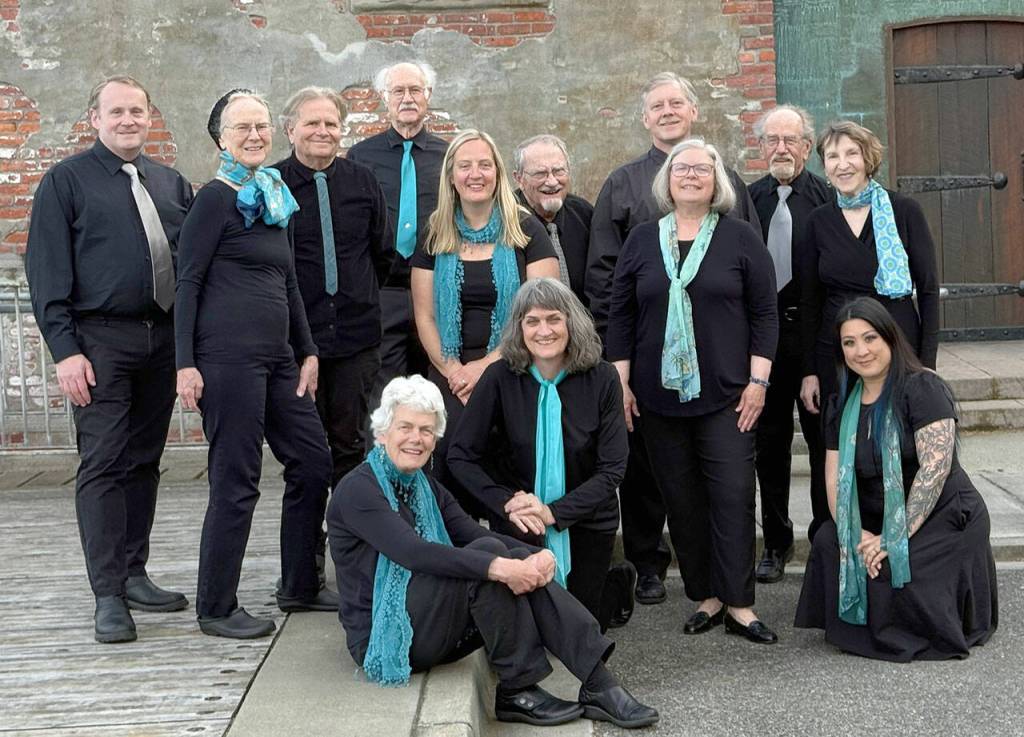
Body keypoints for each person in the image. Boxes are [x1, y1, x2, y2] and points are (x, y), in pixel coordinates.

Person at [327, 375, 658, 729]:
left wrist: (538, 557)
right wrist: (500, 566)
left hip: (426, 614)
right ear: (382, 432)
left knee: (495, 550)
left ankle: (597, 681)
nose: (416, 439)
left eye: (426, 430)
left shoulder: (423, 486)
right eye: (405, 427)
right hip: (385, 634)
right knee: (489, 564)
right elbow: (414, 552)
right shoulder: (358, 490)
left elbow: (469, 532)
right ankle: (518, 688)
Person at [26, 75, 192, 643]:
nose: (128, 120)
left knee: (145, 460)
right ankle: (108, 595)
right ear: (94, 118)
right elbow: (45, 273)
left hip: (162, 340)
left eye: (137, 112)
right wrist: (65, 351)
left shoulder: (170, 184)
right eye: (116, 111)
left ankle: (135, 571)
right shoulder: (65, 182)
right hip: (99, 343)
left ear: (150, 118)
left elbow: (190, 270)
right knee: (103, 463)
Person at [585, 72, 761, 606]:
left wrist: (756, 368)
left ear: (692, 113)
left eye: (676, 103)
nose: (667, 111)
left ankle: (732, 592)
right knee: (651, 478)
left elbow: (756, 286)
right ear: (645, 118)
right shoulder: (622, 185)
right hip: (649, 366)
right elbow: (606, 281)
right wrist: (621, 366)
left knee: (724, 486)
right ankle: (649, 564)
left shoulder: (727, 187)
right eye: (657, 105)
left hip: (723, 368)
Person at [606, 138, 779, 644]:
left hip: (729, 397)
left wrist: (759, 382)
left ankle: (740, 604)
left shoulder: (741, 237)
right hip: (658, 399)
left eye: (702, 169)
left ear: (716, 180)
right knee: (682, 502)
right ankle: (707, 596)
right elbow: (621, 315)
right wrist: (620, 382)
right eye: (682, 169)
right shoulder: (641, 240)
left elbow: (765, 314)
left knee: (731, 496)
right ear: (667, 180)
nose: (690, 176)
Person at [175, 91, 334, 639]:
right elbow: (188, 282)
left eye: (261, 126)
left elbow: (288, 281)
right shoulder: (215, 199)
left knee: (314, 463)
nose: (254, 136)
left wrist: (307, 349)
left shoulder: (272, 195)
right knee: (237, 482)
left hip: (279, 360)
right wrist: (184, 364)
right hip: (227, 361)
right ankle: (216, 607)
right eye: (242, 127)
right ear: (221, 137)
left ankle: (298, 586)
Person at [795, 297, 997, 661]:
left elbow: (934, 472)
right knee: (830, 541)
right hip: (873, 514)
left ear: (890, 338)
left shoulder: (922, 388)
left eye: (870, 338)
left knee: (897, 566)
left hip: (940, 513)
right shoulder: (839, 405)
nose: (861, 351)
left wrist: (892, 538)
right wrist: (856, 533)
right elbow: (833, 481)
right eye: (849, 342)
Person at [447, 278, 637, 632]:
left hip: (586, 520)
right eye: (532, 321)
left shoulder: (604, 378)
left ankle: (613, 587)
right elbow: (460, 455)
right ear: (519, 329)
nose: (543, 330)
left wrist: (552, 512)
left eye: (553, 319)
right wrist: (506, 504)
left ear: (571, 323)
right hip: (521, 522)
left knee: (582, 629)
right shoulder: (499, 377)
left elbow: (612, 470)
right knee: (532, 628)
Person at [410, 129, 559, 511]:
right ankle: (460, 563)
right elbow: (425, 316)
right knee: (449, 473)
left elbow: (543, 318)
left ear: (499, 173)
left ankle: (516, 562)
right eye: (465, 166)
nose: (475, 174)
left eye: (484, 164)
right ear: (451, 176)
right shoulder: (434, 233)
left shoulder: (527, 231)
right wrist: (454, 370)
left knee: (509, 478)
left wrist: (484, 369)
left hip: (515, 367)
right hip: (450, 374)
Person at [274, 86, 393, 489]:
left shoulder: (362, 180)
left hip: (355, 340)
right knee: (305, 452)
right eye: (312, 123)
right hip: (295, 341)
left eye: (331, 123)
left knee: (350, 446)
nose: (322, 131)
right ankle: (308, 544)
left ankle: (347, 539)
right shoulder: (272, 186)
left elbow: (383, 253)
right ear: (290, 130)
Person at [800, 120, 940, 417]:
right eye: (833, 157)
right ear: (824, 166)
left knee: (900, 430)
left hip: (896, 340)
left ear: (868, 159)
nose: (843, 165)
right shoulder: (818, 221)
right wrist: (809, 371)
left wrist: (928, 363)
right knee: (841, 435)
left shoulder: (904, 211)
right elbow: (810, 300)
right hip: (839, 347)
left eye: (852, 154)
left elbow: (928, 289)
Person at [748, 105, 831, 579]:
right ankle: (776, 542)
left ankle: (824, 537)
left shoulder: (824, 197)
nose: (781, 149)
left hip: (813, 337)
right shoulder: (745, 199)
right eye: (772, 140)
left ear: (806, 146)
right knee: (769, 445)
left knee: (822, 444)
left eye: (791, 140)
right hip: (764, 338)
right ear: (760, 147)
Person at [347, 61, 447, 400]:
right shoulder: (360, 157)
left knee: (432, 388)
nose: (407, 98)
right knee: (382, 393)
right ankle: (383, 454)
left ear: (428, 96)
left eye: (415, 90)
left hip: (435, 289)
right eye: (398, 91)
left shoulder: (449, 157)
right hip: (383, 291)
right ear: (384, 98)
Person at [512, 135, 592, 304]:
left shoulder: (585, 215)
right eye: (540, 173)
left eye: (558, 171)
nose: (552, 182)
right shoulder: (506, 220)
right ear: (519, 179)